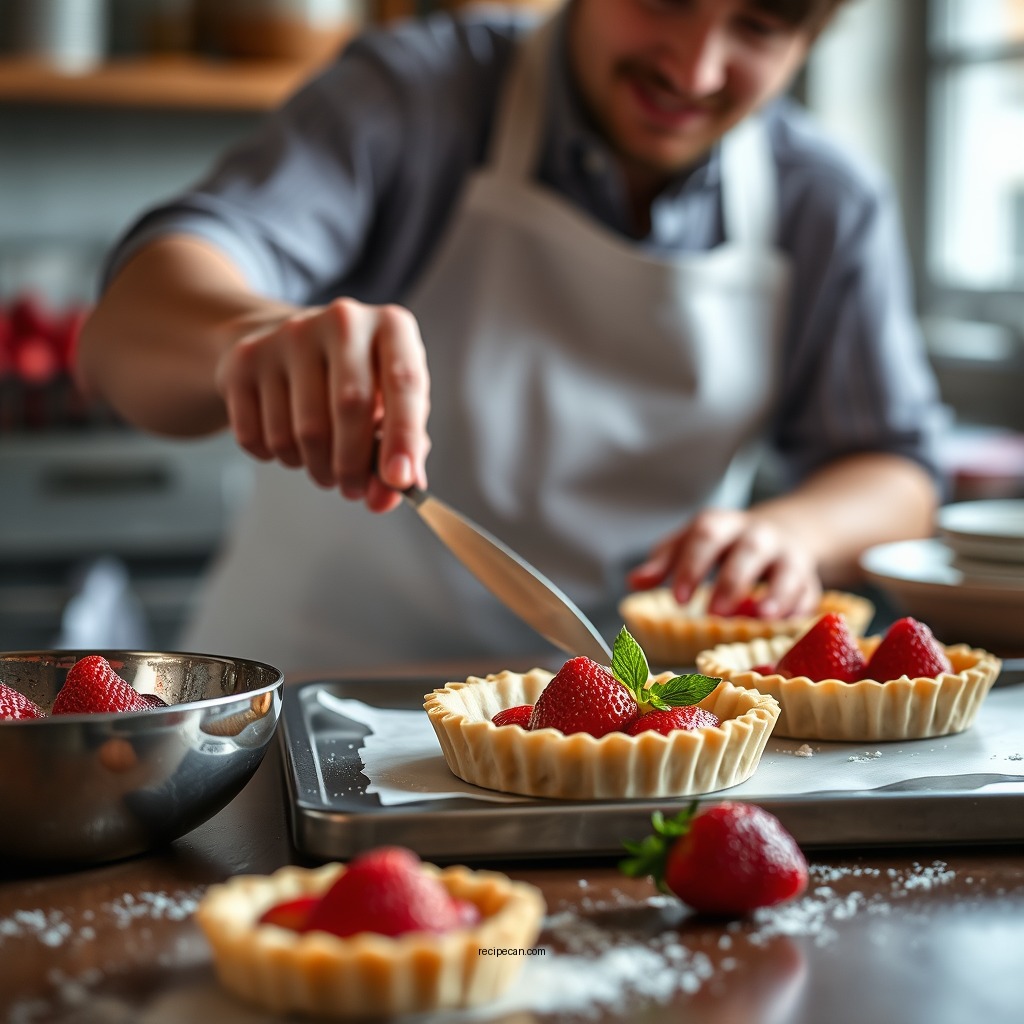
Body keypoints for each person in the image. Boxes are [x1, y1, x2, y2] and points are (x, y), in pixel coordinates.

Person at [77, 0, 946, 673]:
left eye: (759, 25)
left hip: (606, 740)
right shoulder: (414, 97)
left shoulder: (825, 201)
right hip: (300, 713)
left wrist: (791, 531)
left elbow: (897, 469)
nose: (694, 67)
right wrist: (250, 338)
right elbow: (124, 336)